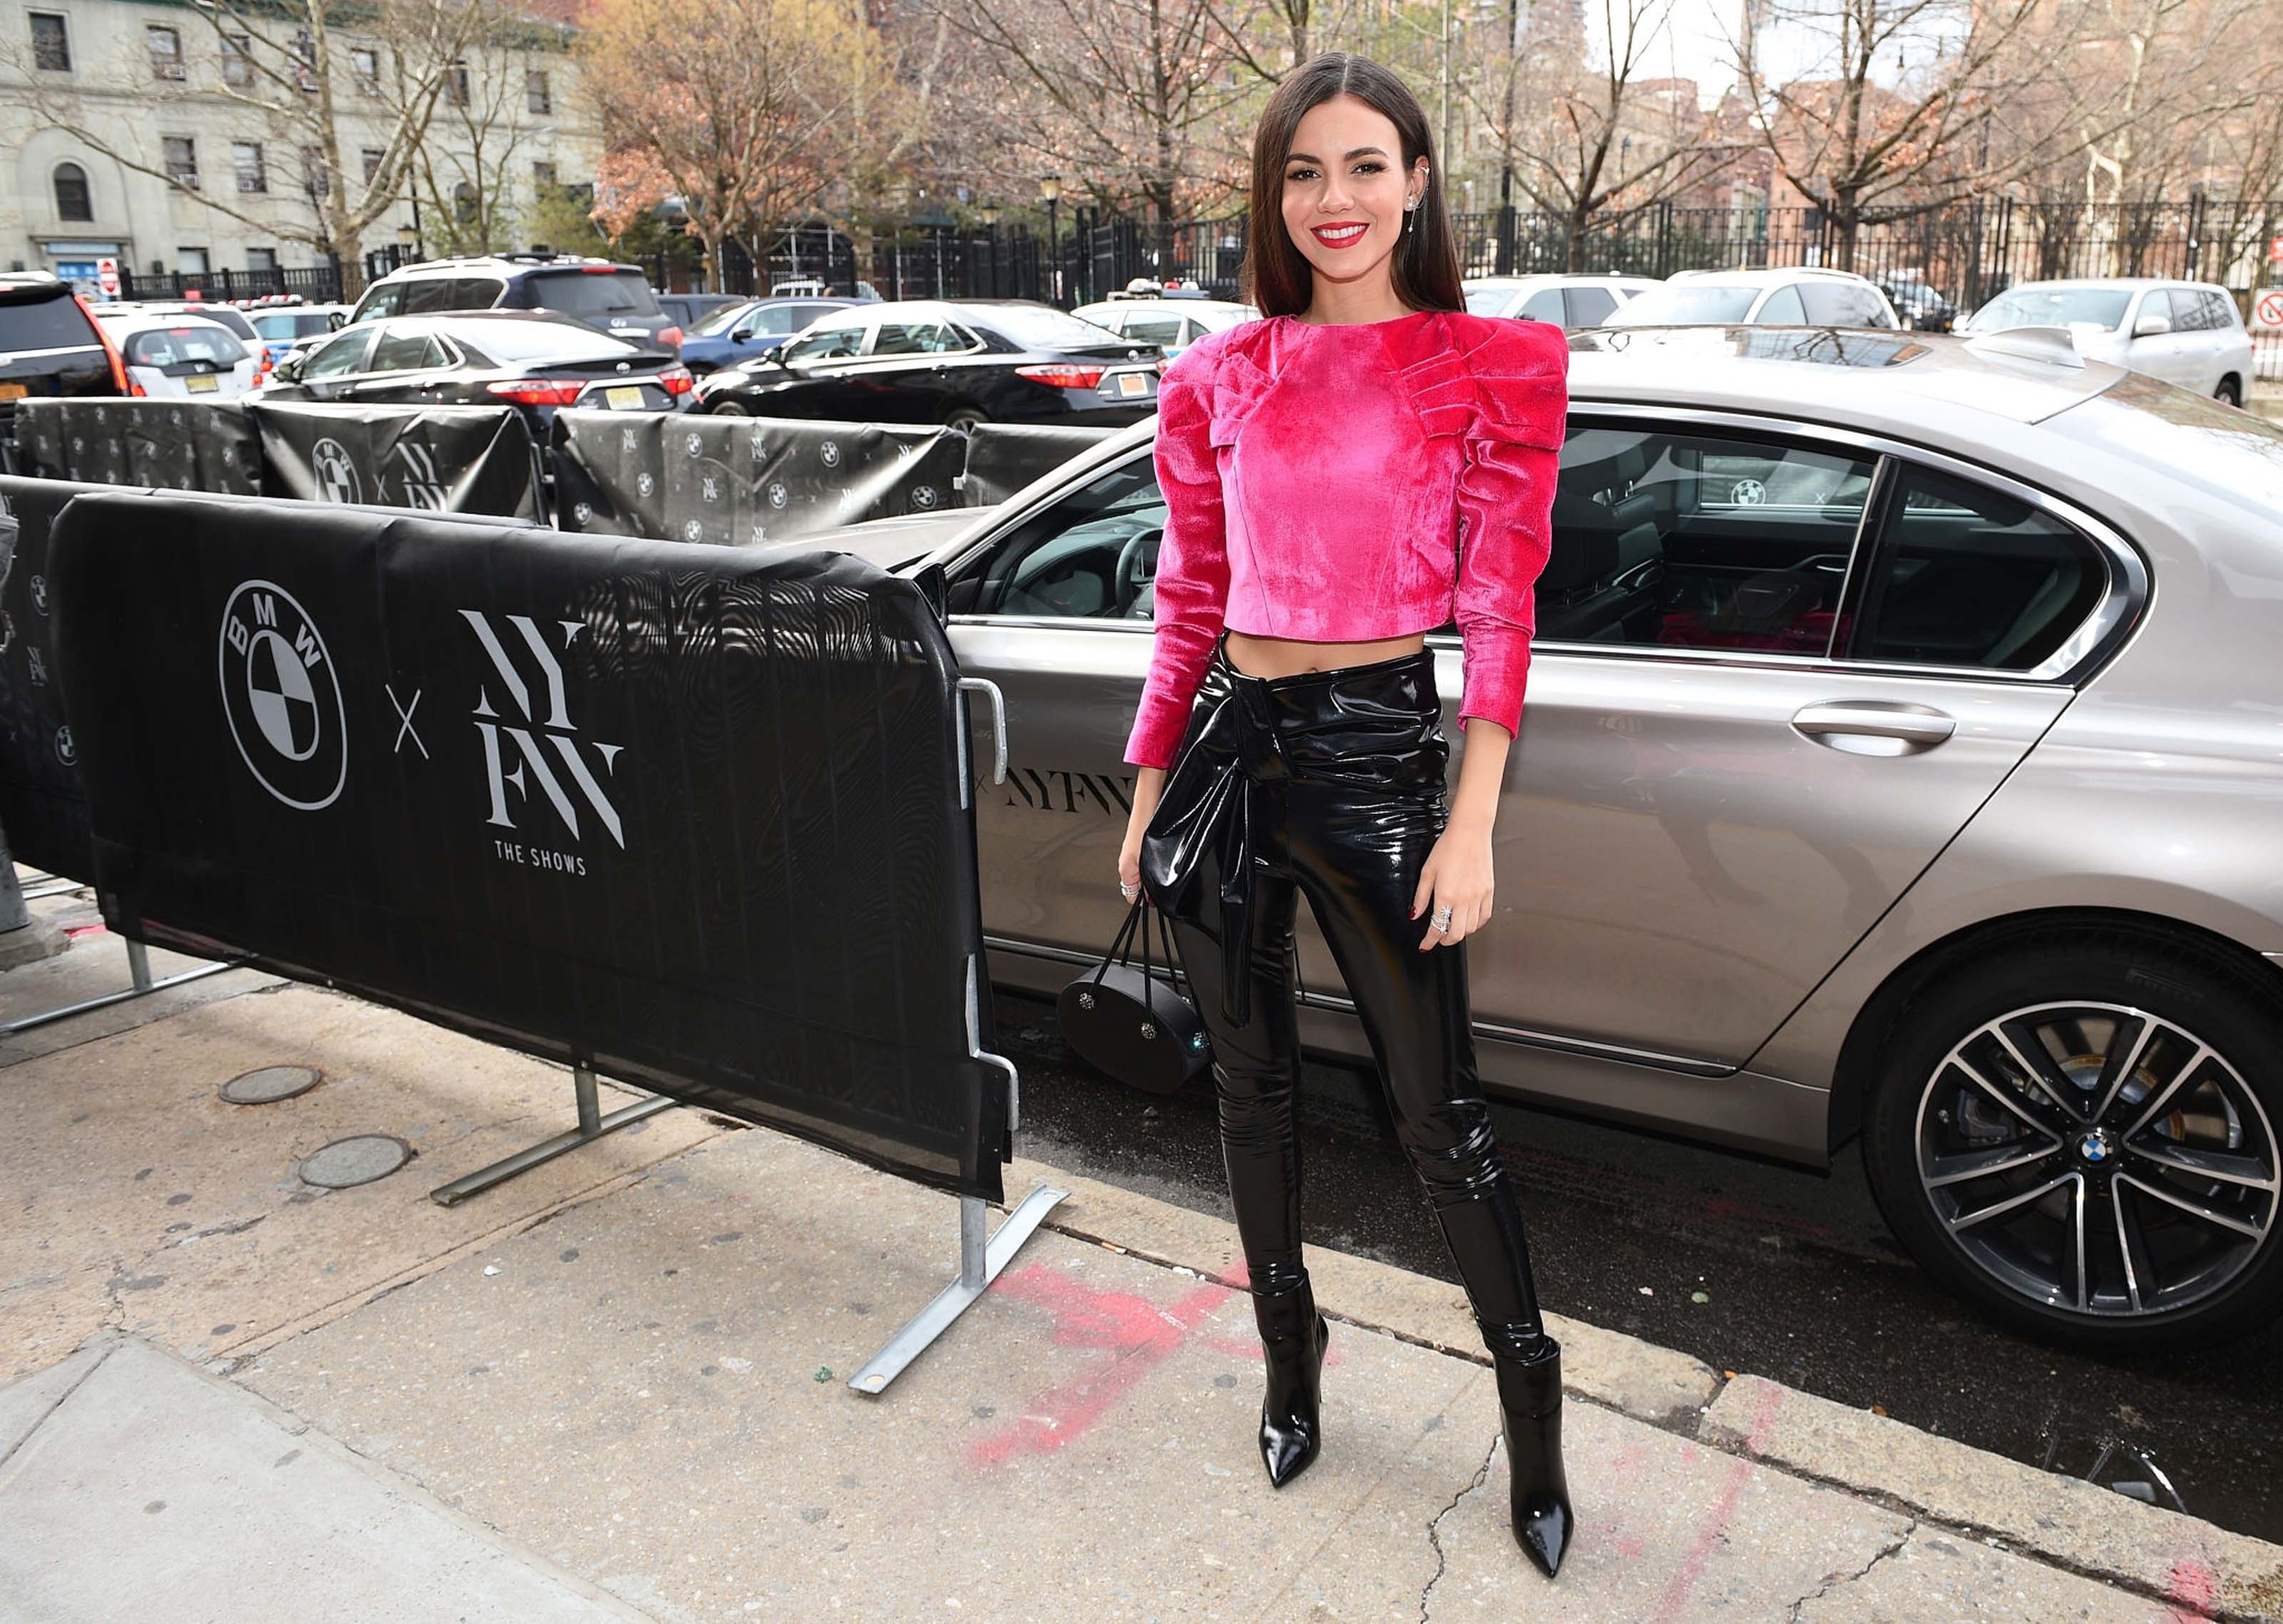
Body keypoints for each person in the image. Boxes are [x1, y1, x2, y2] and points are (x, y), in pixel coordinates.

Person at [1113, 53, 1575, 1578]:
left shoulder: (1486, 364)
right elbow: (1187, 596)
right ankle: (1290, 1364)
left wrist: (1473, 819)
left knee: (1437, 1116)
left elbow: (1499, 610)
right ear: (1273, 194)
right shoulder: (1215, 375)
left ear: (1418, 180)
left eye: (1365, 166)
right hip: (1225, 753)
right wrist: (1145, 787)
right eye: (1304, 172)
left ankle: (1531, 1421)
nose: (1334, 200)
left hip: (1379, 759)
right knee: (1250, 1097)